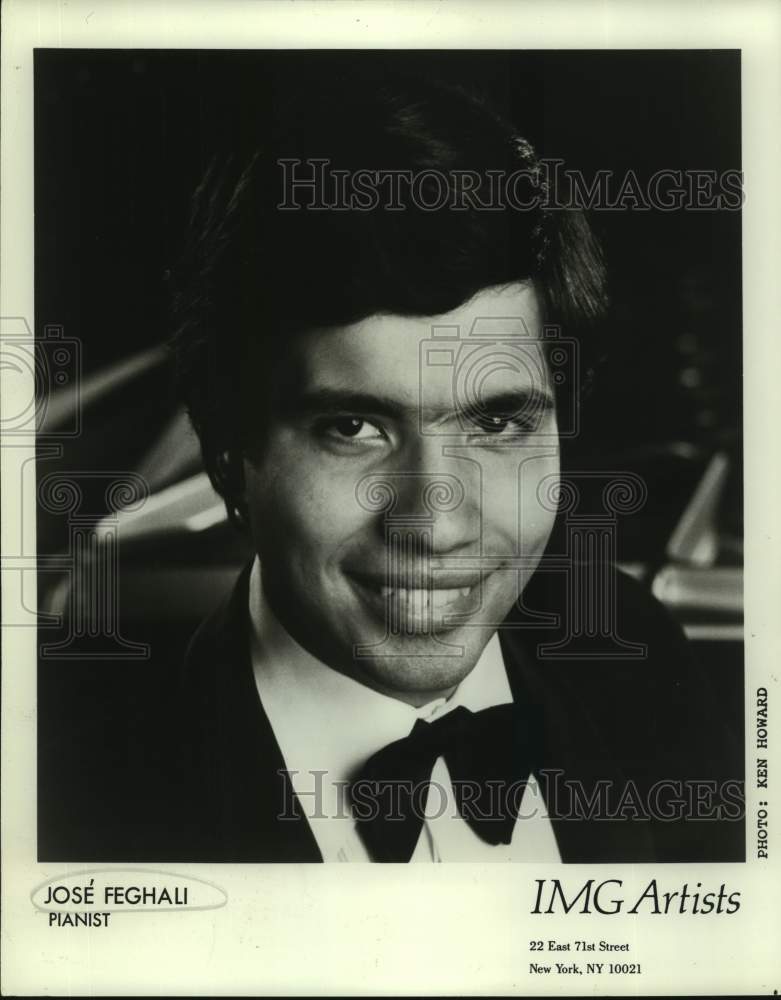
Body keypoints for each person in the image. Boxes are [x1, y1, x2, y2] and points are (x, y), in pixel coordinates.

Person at [168, 69, 743, 863]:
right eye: (353, 426)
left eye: (498, 421)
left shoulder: (635, 654)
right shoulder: (88, 784)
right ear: (231, 457)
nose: (434, 527)